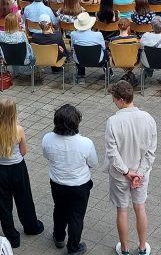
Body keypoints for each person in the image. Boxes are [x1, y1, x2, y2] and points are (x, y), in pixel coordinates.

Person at [0, 99, 44, 248]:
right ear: (14, 113)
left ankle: (12, 237)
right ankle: (31, 227)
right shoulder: (19, 130)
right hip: (17, 169)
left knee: (4, 204)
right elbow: (23, 151)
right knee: (25, 200)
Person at [104, 81, 157, 255]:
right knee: (140, 208)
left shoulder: (113, 121)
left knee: (122, 210)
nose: (112, 101)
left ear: (119, 99)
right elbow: (151, 152)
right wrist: (139, 174)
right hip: (141, 175)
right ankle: (142, 248)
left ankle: (125, 249)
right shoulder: (148, 119)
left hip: (120, 175)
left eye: (113, 98)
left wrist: (127, 172)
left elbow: (112, 153)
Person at [40, 105, 97, 255]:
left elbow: (46, 156)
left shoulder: (47, 138)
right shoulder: (86, 143)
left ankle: (58, 237)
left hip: (57, 183)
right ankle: (73, 247)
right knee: (76, 216)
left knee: (59, 209)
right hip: (80, 185)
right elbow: (93, 163)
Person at [71, 13, 107, 84]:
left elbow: (72, 48)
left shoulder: (73, 34)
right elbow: (104, 47)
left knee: (78, 52)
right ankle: (109, 73)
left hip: (80, 61)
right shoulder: (98, 34)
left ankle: (81, 76)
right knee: (106, 52)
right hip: (98, 61)